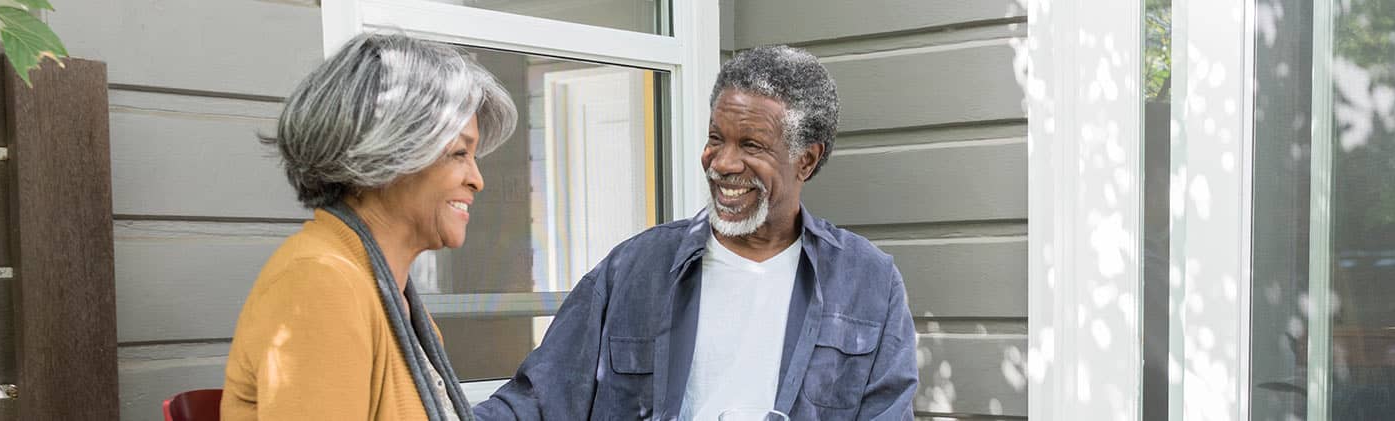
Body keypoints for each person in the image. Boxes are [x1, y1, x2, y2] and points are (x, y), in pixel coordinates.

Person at [473, 45, 919, 420]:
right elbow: (535, 403)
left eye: (751, 145)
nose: (722, 163)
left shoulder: (868, 283)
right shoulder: (634, 269)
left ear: (806, 159)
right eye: (715, 138)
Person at [222, 32, 517, 420]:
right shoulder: (319, 283)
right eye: (459, 152)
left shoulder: (395, 300)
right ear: (390, 153)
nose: (477, 180)